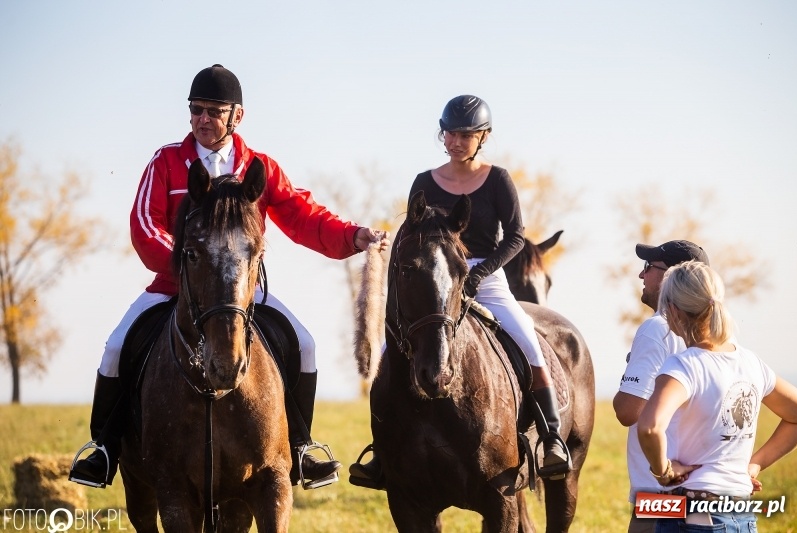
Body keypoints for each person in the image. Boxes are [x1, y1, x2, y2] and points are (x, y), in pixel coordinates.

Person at [69, 64, 390, 490]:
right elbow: (145, 224)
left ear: (237, 116)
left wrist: (355, 235)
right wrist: (190, 271)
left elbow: (303, 216)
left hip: (242, 295)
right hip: (174, 287)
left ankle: (300, 447)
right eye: (196, 110)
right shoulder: (166, 161)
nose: (203, 119)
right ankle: (104, 449)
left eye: (214, 111)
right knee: (114, 349)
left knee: (306, 346)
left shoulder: (260, 167)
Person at [349, 94, 571, 489]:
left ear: (483, 137)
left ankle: (551, 437)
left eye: (465, 135)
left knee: (529, 343)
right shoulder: (424, 181)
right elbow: (413, 236)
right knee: (387, 355)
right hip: (433, 275)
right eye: (449, 133)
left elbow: (517, 237)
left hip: (485, 275)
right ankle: (381, 453)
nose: (454, 141)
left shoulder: (498, 179)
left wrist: (479, 273)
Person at [638, 261, 797, 532]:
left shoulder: (684, 366)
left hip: (690, 515)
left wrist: (663, 471)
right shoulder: (750, 362)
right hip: (741, 514)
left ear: (675, 311)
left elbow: (650, 427)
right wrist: (754, 465)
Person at [613, 240, 710, 533]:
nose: (642, 276)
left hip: (661, 497)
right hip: (709, 496)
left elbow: (627, 411)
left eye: (648, 268)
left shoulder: (657, 328)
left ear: (671, 277)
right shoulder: (715, 337)